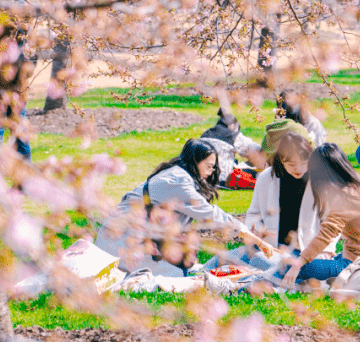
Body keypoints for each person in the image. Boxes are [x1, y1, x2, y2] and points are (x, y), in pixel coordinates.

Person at [95, 139, 270, 277]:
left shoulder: (178, 175)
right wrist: (245, 233)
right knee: (178, 275)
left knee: (185, 269)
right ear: (195, 162)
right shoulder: (177, 181)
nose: (210, 173)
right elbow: (208, 214)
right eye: (208, 167)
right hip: (122, 240)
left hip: (132, 236)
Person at [281, 144, 360, 288]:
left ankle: (256, 286)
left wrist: (298, 264)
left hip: (357, 265)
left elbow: (328, 232)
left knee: (289, 267)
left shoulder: (347, 195)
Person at [244, 131, 334, 253]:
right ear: (281, 159)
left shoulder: (321, 179)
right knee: (217, 262)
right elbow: (253, 214)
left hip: (306, 251)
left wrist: (325, 250)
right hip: (271, 248)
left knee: (259, 263)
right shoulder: (266, 177)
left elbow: (333, 222)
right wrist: (256, 230)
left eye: (304, 163)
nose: (299, 169)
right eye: (292, 164)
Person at [0, 19, 34, 160]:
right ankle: (22, 178)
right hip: (11, 90)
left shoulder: (2, 24)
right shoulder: (25, 25)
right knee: (17, 136)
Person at [200, 109, 266, 184]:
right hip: (223, 178)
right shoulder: (233, 135)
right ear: (232, 126)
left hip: (204, 179)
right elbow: (256, 151)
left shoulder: (204, 135)